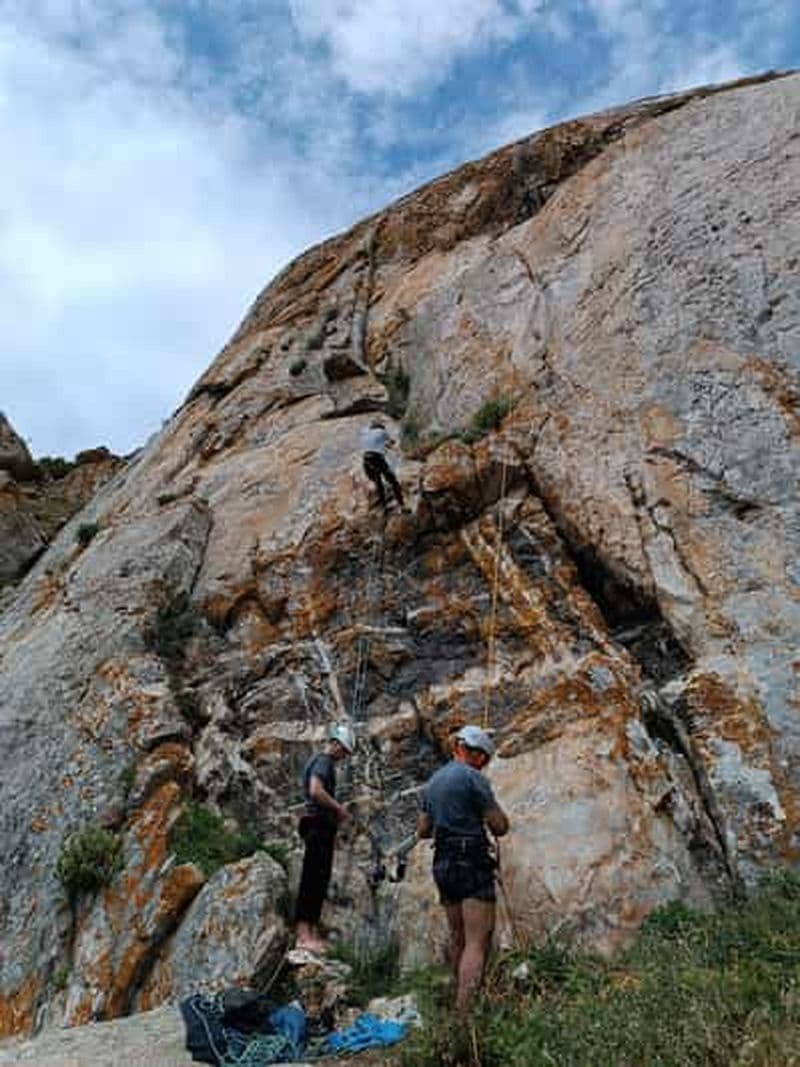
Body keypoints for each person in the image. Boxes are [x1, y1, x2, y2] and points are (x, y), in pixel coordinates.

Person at [417, 724, 510, 1013]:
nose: (483, 765)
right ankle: (464, 1018)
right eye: (484, 760)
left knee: (458, 937)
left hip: (442, 862)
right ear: (478, 755)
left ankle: (453, 1004)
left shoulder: (432, 783)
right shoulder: (473, 778)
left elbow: (423, 830)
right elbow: (499, 826)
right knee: (476, 942)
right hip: (471, 860)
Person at [294, 723, 355, 953]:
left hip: (319, 826)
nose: (343, 757)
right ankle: (303, 936)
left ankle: (311, 932)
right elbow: (315, 790)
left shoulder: (319, 761)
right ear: (336, 744)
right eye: (344, 751)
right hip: (318, 827)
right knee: (313, 879)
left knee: (318, 879)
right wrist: (338, 809)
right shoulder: (323, 762)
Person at [360, 418, 405, 511]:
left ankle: (384, 506)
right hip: (376, 458)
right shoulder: (382, 432)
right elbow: (391, 443)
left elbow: (375, 442)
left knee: (378, 481)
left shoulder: (365, 431)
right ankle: (401, 504)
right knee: (393, 481)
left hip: (365, 459)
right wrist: (394, 446)